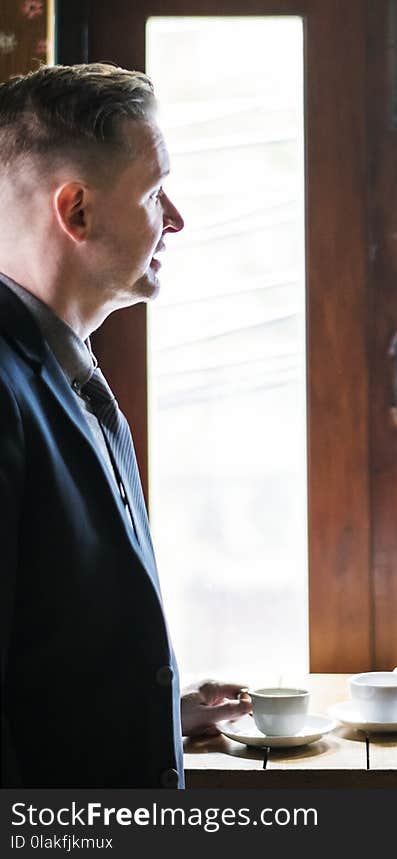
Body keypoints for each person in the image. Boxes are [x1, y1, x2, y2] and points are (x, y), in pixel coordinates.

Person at [0, 63, 252, 788]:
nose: (176, 218)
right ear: (75, 212)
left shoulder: (68, 369)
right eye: (153, 191)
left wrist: (159, 713)